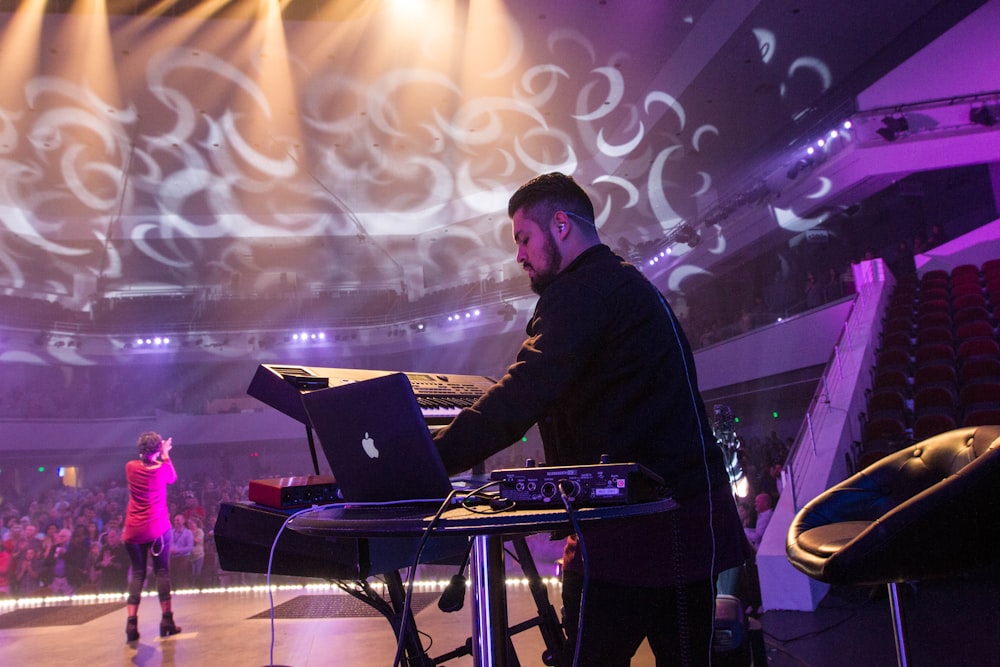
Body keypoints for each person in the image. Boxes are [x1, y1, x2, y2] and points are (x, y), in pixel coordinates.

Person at [432, 172, 749, 666]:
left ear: (561, 225)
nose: (518, 255)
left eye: (523, 238)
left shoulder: (582, 292)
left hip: (639, 536)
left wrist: (426, 460)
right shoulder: (624, 282)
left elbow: (524, 391)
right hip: (684, 525)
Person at [121, 432, 182, 643]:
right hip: (157, 530)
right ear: (157, 449)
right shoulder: (162, 469)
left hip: (133, 531)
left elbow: (146, 463)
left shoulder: (130, 467)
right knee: (162, 572)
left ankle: (131, 624)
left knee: (138, 574)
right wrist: (165, 454)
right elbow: (172, 477)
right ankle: (167, 621)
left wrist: (158, 453)